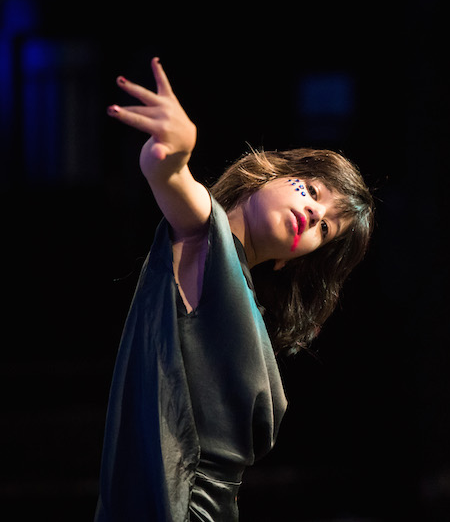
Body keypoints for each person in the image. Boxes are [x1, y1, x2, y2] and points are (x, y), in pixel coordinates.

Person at [95, 57, 374, 521]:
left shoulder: (239, 291)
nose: (315, 215)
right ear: (265, 173)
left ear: (291, 259)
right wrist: (171, 157)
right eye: (311, 188)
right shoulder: (205, 239)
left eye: (326, 230)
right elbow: (181, 192)